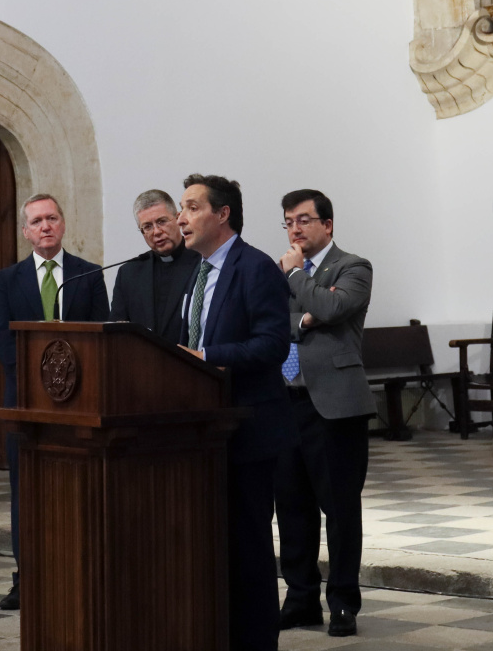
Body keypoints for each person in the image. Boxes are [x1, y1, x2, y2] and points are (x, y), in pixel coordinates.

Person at [176, 174, 294, 651]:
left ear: (222, 214)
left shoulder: (255, 267)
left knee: (248, 547)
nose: (181, 218)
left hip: (247, 430)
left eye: (190, 207)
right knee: (215, 546)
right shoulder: (198, 272)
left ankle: (257, 642)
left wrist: (205, 358)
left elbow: (272, 344)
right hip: (204, 431)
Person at [0, 193, 110, 611]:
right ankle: (26, 576)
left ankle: (77, 570)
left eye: (52, 218)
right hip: (25, 402)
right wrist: (40, 385)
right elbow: (4, 344)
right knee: (26, 490)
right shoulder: (7, 279)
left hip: (79, 403)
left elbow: (99, 335)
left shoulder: (88, 274)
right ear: (26, 231)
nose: (45, 226)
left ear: (63, 224)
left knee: (78, 489)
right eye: (37, 221)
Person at [272, 189, 375, 638]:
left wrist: (298, 281)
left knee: (340, 509)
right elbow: (277, 322)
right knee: (292, 508)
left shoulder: (353, 266)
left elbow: (333, 307)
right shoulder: (284, 275)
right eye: (289, 222)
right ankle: (300, 600)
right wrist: (305, 317)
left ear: (327, 225)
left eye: (303, 220)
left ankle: (343, 603)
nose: (295, 229)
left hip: (335, 406)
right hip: (286, 402)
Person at [109, 189, 201, 345]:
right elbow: (116, 333)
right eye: (147, 227)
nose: (157, 232)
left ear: (178, 219)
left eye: (162, 221)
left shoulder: (202, 263)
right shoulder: (129, 273)